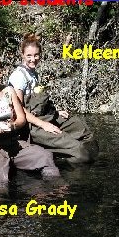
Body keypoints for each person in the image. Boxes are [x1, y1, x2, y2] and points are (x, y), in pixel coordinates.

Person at [0, 56, 60, 184]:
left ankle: (54, 191)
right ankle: (0, 200)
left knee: (45, 157)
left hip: (12, 141)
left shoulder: (9, 91)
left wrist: (10, 126)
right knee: (0, 174)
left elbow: (22, 119)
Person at [9, 34, 98, 164]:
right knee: (78, 150)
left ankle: (75, 155)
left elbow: (40, 102)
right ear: (22, 54)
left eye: (36, 55)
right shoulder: (18, 77)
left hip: (45, 117)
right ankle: (63, 166)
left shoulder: (34, 73)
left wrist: (55, 113)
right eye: (29, 55)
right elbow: (20, 110)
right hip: (32, 126)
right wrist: (44, 125)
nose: (33, 59)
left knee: (83, 130)